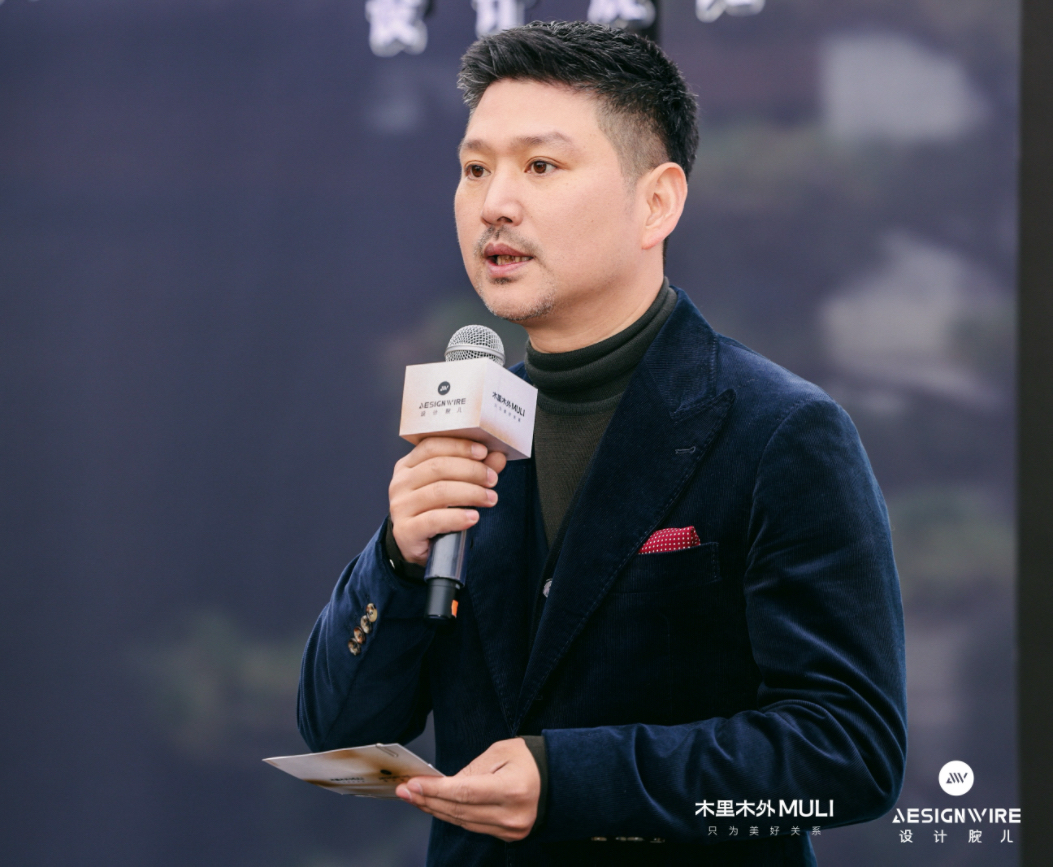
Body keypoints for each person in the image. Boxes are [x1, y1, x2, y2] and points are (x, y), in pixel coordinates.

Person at [297, 21, 906, 866]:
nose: (495, 203)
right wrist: (398, 561)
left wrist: (571, 778)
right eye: (475, 169)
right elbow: (339, 731)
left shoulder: (779, 430)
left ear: (657, 202)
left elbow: (849, 753)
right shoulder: (469, 425)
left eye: (541, 166)